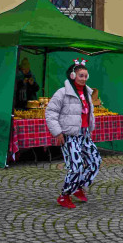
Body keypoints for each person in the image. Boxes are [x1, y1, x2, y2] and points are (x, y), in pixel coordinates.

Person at [46, 59, 101, 209]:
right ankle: (64, 195)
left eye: (86, 76)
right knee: (76, 166)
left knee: (95, 161)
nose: (84, 79)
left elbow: (88, 113)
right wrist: (57, 132)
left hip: (84, 134)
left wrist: (89, 129)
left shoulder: (88, 92)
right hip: (69, 135)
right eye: (81, 76)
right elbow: (50, 113)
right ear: (72, 76)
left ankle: (77, 186)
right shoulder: (62, 92)